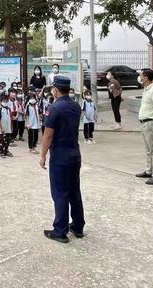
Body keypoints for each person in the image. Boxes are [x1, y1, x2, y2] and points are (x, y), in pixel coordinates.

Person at [39, 75, 85, 243]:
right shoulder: (75, 106)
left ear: (56, 90)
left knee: (60, 193)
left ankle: (60, 231)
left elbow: (48, 134)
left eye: (53, 89)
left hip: (60, 156)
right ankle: (78, 226)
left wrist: (43, 155)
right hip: (74, 154)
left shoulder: (54, 108)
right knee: (74, 191)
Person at [135, 68, 153, 185]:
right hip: (144, 123)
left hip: (151, 123)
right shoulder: (146, 89)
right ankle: (149, 171)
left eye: (141, 75)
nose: (139, 77)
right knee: (148, 150)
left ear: (146, 77)